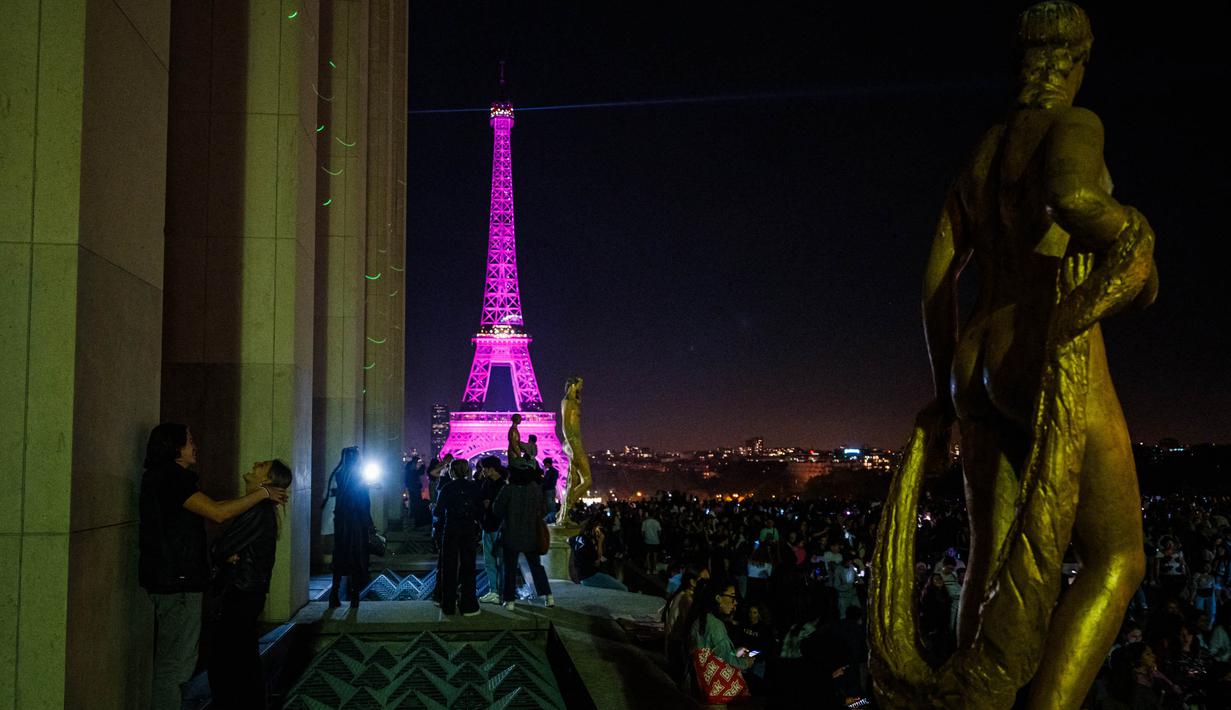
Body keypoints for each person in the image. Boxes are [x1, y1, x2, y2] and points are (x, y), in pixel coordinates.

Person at [910, 2, 1158, 704]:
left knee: (991, 557)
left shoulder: (982, 152)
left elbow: (933, 282)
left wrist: (942, 398)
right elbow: (1073, 194)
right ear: (1077, 64)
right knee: (1116, 558)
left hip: (974, 358)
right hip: (1042, 343)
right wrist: (1131, 236)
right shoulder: (1074, 124)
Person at [138, 423, 287, 710]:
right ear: (174, 448)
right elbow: (218, 513)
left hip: (178, 582)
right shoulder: (172, 479)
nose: (195, 445)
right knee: (178, 667)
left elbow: (220, 527)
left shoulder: (164, 479)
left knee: (208, 662)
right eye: (190, 440)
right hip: (178, 583)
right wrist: (263, 494)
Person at [206, 459, 293, 707]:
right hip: (249, 591)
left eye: (262, 466)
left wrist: (220, 551)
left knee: (227, 660)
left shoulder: (257, 510)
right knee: (242, 657)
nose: (255, 464)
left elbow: (222, 547)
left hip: (241, 592)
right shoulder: (261, 509)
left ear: (265, 481)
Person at [493, 463, 553, 609]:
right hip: (531, 534)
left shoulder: (508, 489)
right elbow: (544, 510)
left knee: (510, 569)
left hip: (511, 534)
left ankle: (510, 601)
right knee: (536, 566)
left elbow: (497, 510)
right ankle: (548, 596)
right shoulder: (536, 490)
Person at [434, 459, 482, 616]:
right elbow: (480, 510)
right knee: (469, 567)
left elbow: (438, 512)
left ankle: (448, 604)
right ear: (467, 471)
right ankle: (469, 605)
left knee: (449, 567)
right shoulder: (474, 487)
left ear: (451, 472)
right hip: (468, 529)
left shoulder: (447, 488)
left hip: (451, 529)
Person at [328, 447, 372, 609]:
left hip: (341, 521)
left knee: (340, 556)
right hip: (356, 523)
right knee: (357, 557)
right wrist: (370, 524)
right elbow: (363, 503)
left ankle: (334, 594)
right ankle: (354, 596)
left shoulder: (338, 474)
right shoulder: (359, 476)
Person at [476, 456, 507, 604]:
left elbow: (484, 504)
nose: (482, 471)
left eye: (484, 468)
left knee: (495, 561)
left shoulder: (492, 484)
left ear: (491, 469)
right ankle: (498, 592)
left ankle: (498, 591)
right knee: (496, 561)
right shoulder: (500, 484)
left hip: (495, 527)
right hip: (493, 526)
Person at [571, 519, 628, 591]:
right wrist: (600, 541)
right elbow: (597, 562)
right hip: (590, 577)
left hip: (580, 575)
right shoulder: (589, 543)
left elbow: (567, 540)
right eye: (597, 529)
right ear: (592, 529)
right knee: (624, 588)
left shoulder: (575, 538)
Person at [541, 457, 560, 524]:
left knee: (550, 505)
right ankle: (553, 518)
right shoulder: (555, 471)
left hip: (548, 490)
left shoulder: (549, 472)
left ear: (548, 463)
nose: (544, 466)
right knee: (552, 504)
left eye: (545, 464)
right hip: (552, 489)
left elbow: (546, 481)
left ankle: (551, 520)